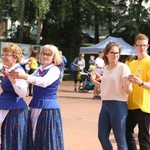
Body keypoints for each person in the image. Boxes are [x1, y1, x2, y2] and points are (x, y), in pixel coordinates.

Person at [10, 44, 64, 150]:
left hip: (48, 108)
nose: (45, 56)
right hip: (35, 105)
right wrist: (13, 79)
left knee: (45, 138)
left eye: (48, 54)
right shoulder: (40, 69)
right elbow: (27, 82)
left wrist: (25, 76)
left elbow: (44, 82)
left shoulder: (54, 70)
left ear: (54, 57)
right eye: (43, 53)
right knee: (34, 136)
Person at [91, 42, 133, 150]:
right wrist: (94, 81)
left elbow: (128, 91)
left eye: (117, 53)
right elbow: (105, 86)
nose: (115, 55)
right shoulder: (105, 68)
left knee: (120, 138)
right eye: (112, 53)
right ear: (106, 54)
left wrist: (127, 84)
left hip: (118, 105)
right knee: (102, 136)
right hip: (105, 104)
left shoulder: (123, 68)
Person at [0, 43, 28, 149]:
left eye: (7, 54)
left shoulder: (18, 71)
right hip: (7, 107)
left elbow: (23, 93)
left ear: (15, 57)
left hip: (15, 111)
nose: (4, 57)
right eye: (3, 54)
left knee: (12, 141)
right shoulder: (9, 70)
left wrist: (13, 81)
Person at [126, 33, 150, 150]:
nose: (142, 48)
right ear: (134, 46)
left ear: (148, 46)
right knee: (126, 132)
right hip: (131, 105)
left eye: (144, 45)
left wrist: (141, 83)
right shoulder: (132, 63)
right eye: (139, 45)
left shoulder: (149, 62)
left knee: (143, 138)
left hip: (144, 106)